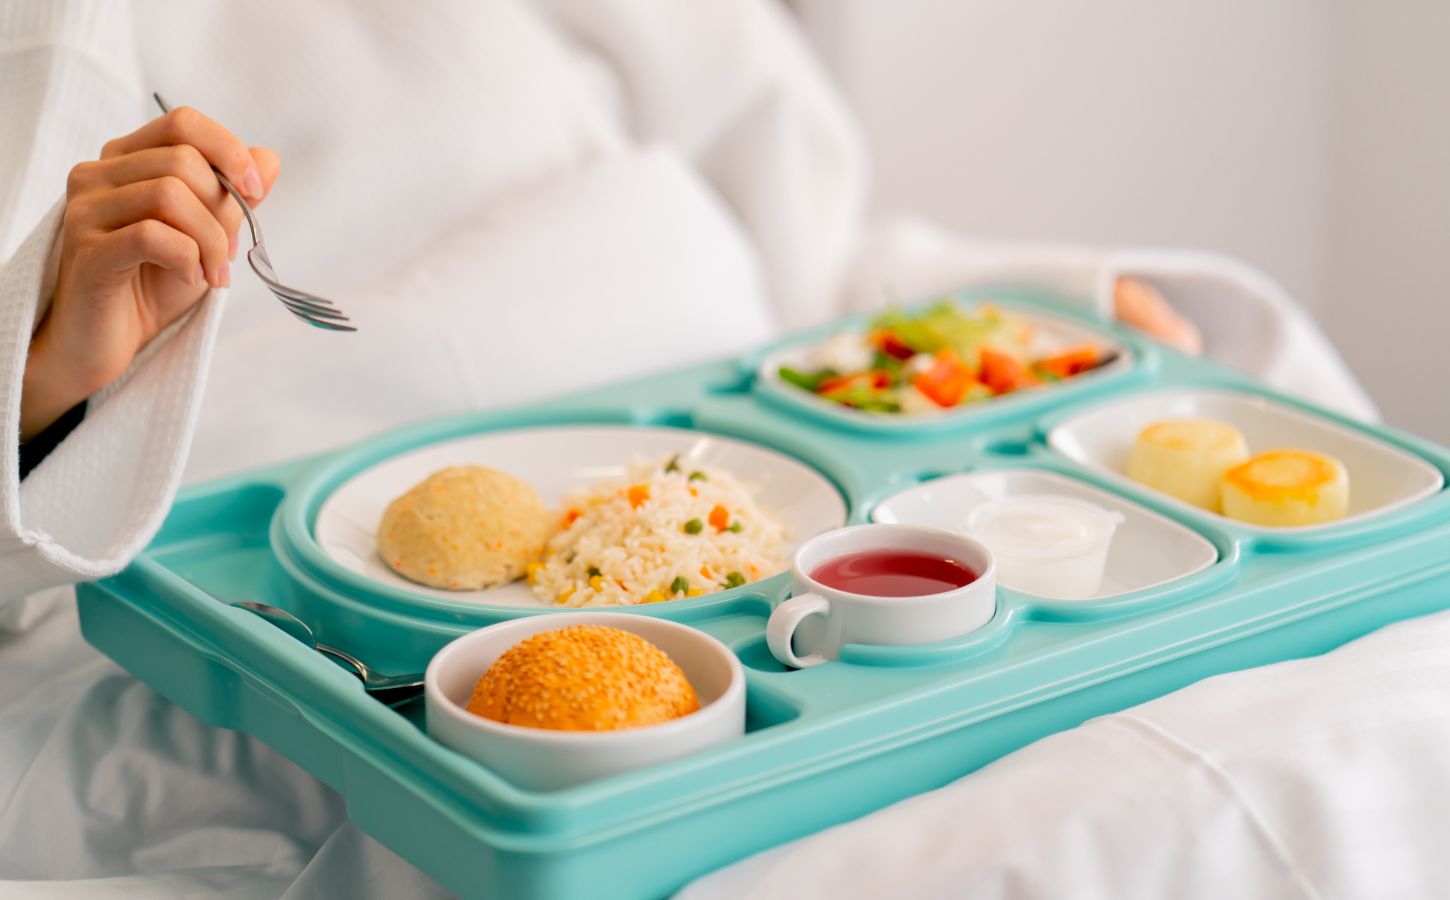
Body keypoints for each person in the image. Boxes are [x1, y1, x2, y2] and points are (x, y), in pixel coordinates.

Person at [0, 2, 1398, 897]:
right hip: (292, 600)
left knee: (1372, 714)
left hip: (774, 481)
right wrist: (46, 376)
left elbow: (816, 250)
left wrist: (1062, 324)